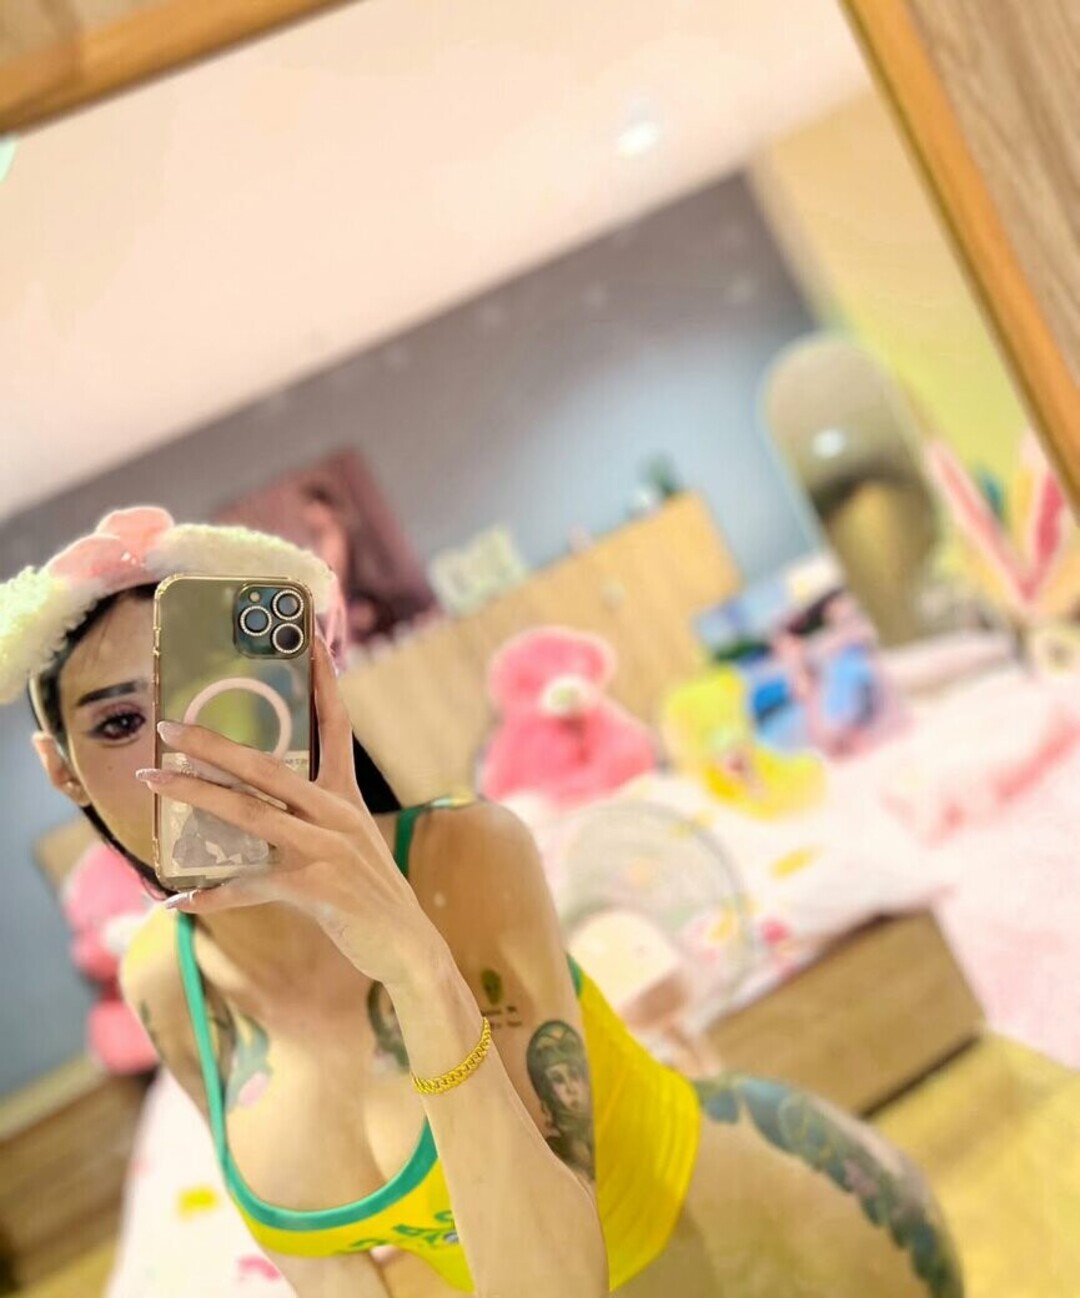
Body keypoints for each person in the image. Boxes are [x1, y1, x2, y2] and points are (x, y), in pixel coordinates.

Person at [1, 506, 964, 1298]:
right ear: (62, 770)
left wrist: (411, 958)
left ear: (304, 693)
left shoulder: (467, 858)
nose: (187, 753)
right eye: (120, 723)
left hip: (794, 1253)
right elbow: (332, 1275)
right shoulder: (166, 985)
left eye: (211, 699)